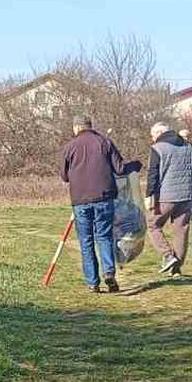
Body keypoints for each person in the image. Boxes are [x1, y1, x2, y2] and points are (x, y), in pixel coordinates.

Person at [60, 116, 132, 294]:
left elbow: (64, 176)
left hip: (80, 199)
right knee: (104, 236)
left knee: (86, 240)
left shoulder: (69, 147)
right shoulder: (105, 142)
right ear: (90, 126)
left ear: (76, 128)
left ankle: (93, 282)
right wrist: (135, 166)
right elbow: (120, 168)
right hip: (104, 196)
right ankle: (109, 272)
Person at [144, 121, 192, 275]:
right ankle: (176, 268)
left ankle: (167, 255)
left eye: (153, 135)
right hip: (187, 195)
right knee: (181, 230)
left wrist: (149, 195)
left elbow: (153, 173)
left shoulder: (157, 148)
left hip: (166, 196)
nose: (152, 139)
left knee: (153, 224)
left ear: (159, 133)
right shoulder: (188, 146)